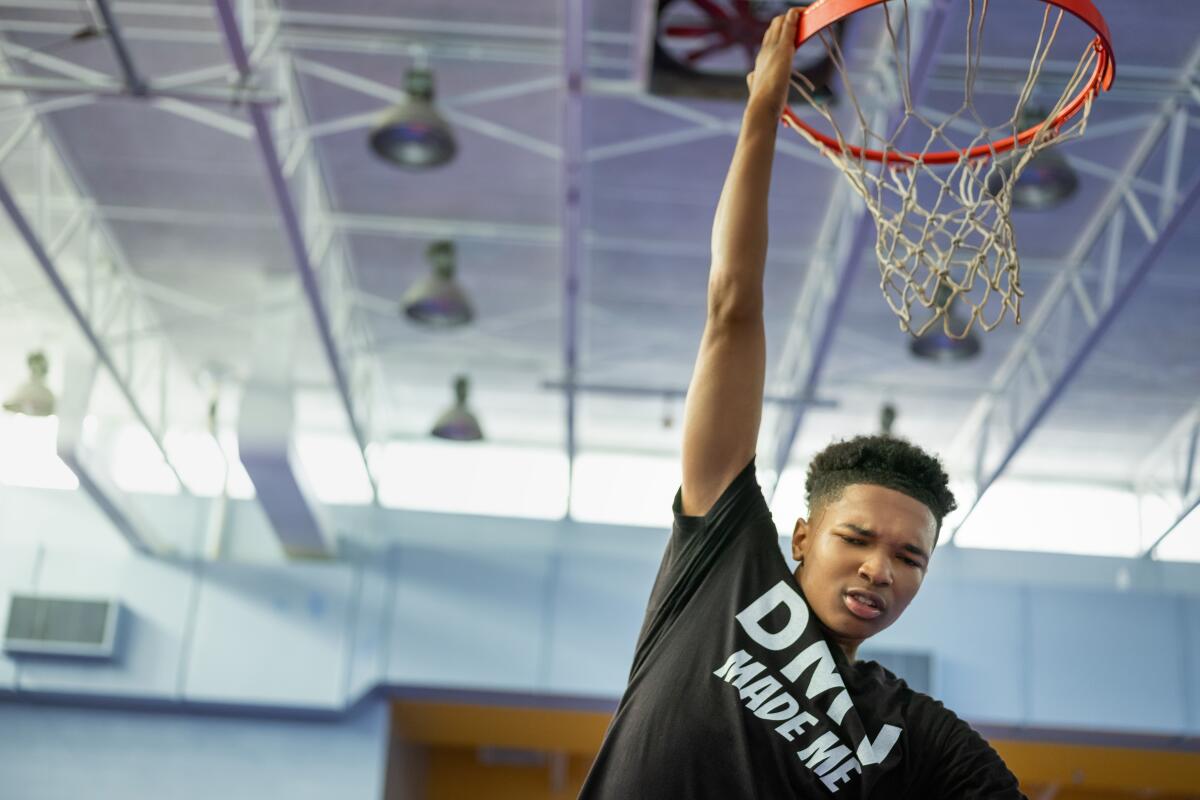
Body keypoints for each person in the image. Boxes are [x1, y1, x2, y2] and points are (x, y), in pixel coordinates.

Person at [578, 9, 1025, 798]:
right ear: (802, 535)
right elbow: (731, 310)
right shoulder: (721, 562)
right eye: (857, 537)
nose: (878, 568)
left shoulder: (912, 734)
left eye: (908, 556)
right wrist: (760, 114)